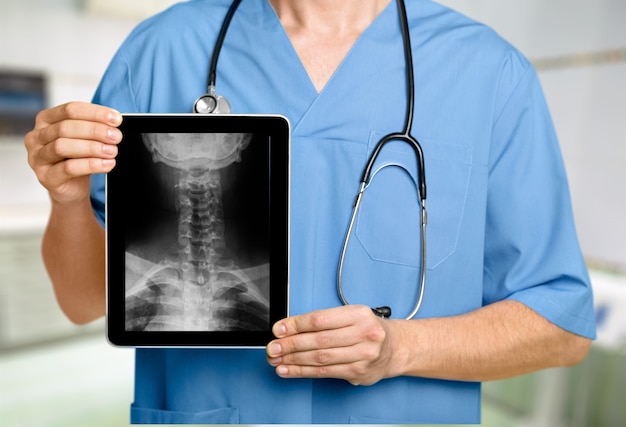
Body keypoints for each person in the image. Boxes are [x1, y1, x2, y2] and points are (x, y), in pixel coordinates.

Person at [24, 0, 595, 424]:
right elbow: (82, 301)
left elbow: (560, 326)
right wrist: (67, 201)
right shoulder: (162, 50)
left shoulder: (487, 72)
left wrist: (402, 349)